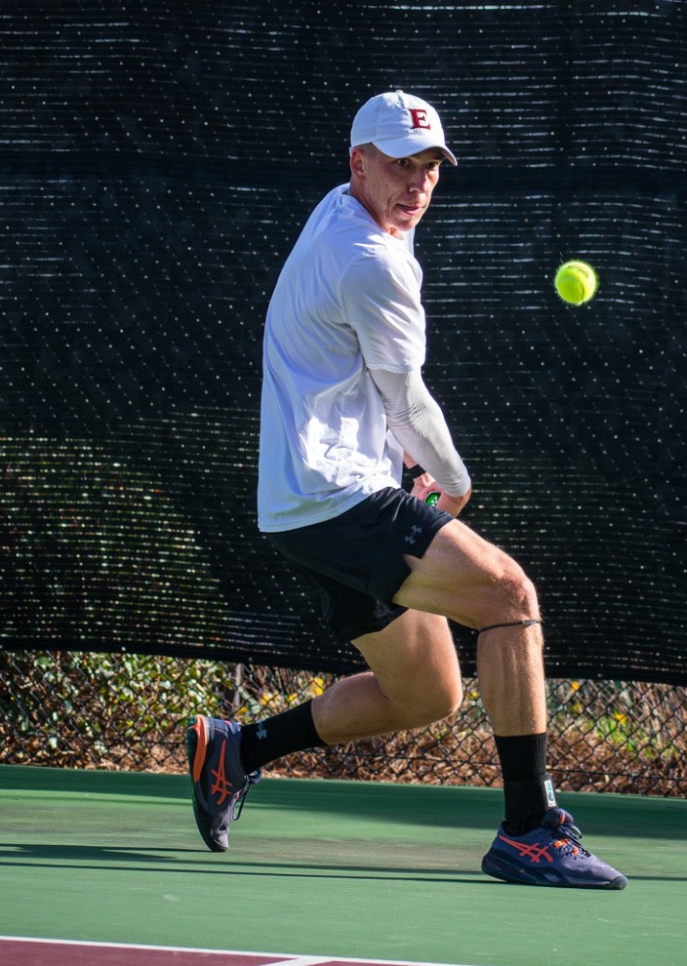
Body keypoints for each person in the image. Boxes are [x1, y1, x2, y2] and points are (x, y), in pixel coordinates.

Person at [183, 90, 625, 890]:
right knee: (508, 596)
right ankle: (530, 829)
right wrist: (452, 482)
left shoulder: (345, 211)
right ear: (358, 163)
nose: (417, 183)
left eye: (430, 167)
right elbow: (408, 402)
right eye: (399, 165)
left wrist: (399, 463)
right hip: (335, 495)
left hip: (305, 501)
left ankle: (237, 750)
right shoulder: (372, 261)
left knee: (427, 693)